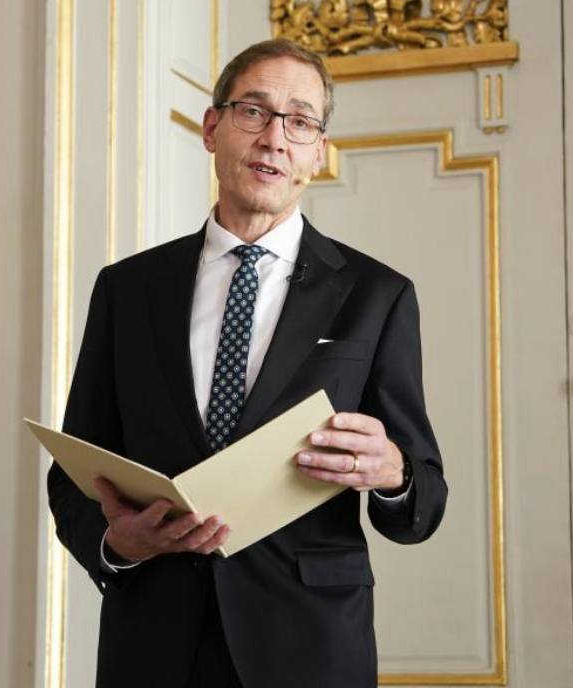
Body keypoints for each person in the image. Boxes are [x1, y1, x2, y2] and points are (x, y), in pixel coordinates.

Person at [48, 39, 446, 688]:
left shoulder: (378, 295)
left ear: (318, 153)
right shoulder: (127, 289)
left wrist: (395, 472)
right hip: (153, 642)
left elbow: (424, 498)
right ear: (212, 129)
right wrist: (117, 544)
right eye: (253, 112)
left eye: (300, 121)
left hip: (310, 644)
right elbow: (72, 475)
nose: (274, 139)